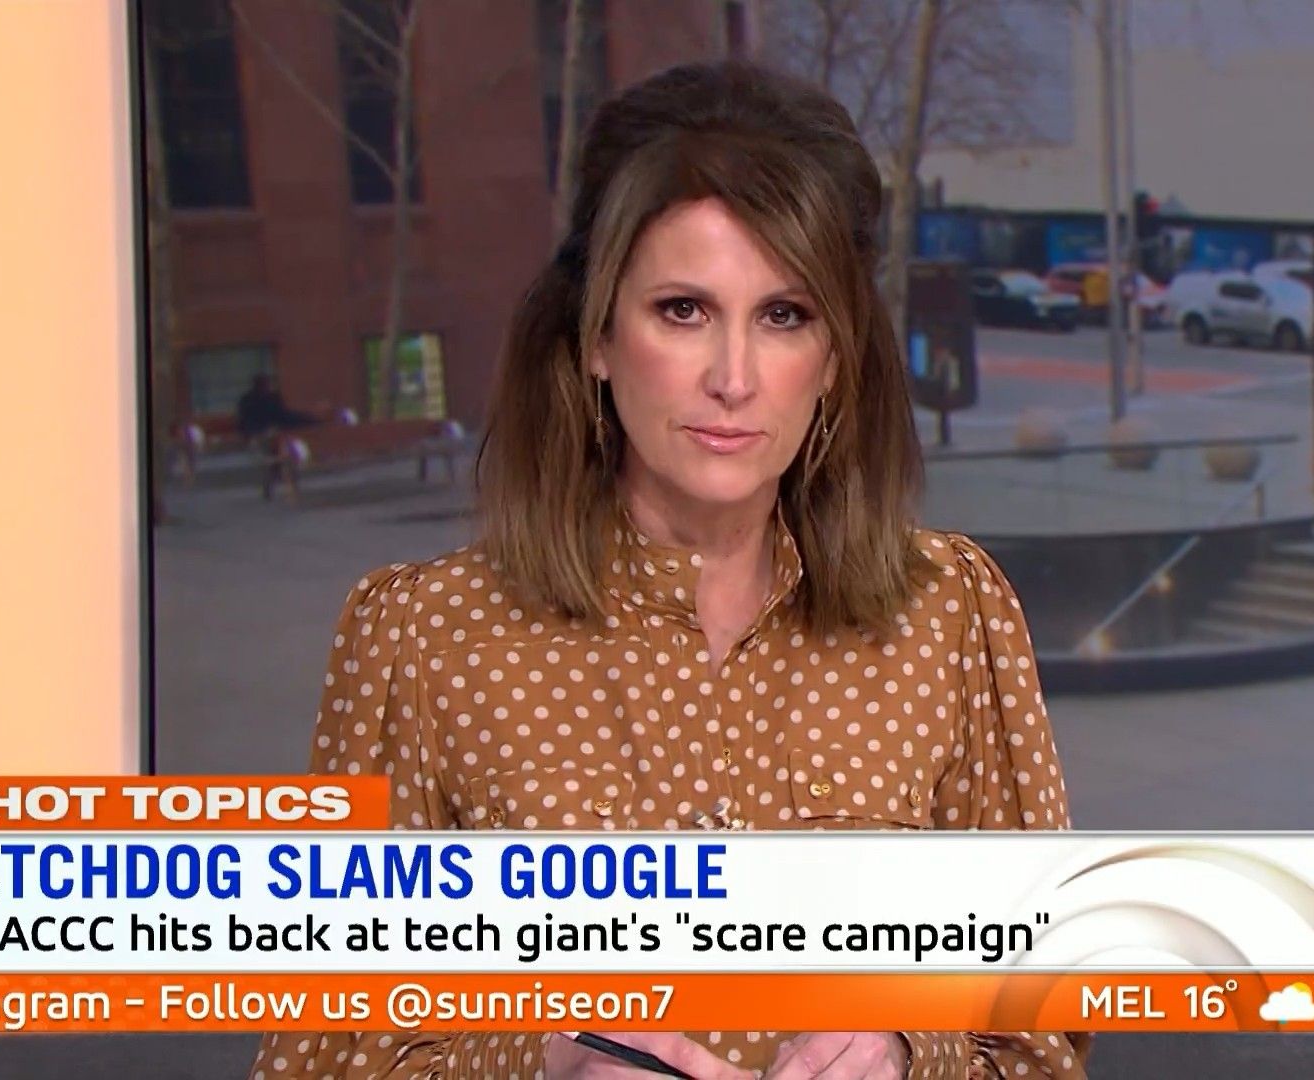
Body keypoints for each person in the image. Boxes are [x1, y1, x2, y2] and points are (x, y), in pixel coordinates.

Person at [250, 60, 1090, 1080]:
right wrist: (535, 1066)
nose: (733, 379)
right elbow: (325, 1057)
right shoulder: (426, 639)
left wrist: (914, 1057)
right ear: (598, 338)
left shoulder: (948, 615)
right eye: (684, 310)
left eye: (784, 316)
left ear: (834, 359)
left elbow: (1038, 1043)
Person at [236, 374, 319, 500]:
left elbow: (284, 415)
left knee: (282, 459)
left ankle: (281, 485)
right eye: (265, 384)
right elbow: (246, 422)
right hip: (261, 435)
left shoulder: (271, 398)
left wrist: (309, 420)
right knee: (274, 460)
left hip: (275, 434)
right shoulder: (250, 400)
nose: (267, 387)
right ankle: (276, 484)